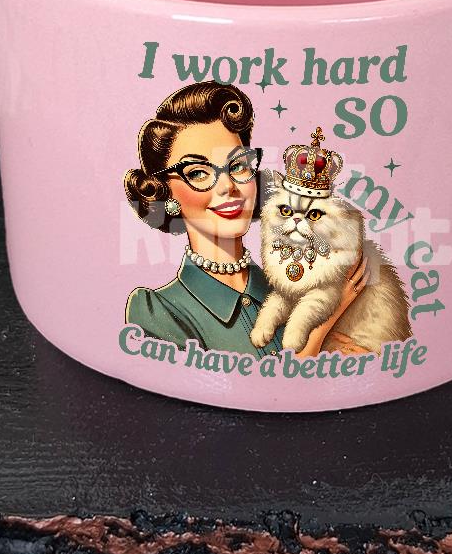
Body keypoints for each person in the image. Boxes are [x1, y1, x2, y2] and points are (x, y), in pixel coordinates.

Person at [123, 81, 366, 357]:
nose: (228, 186)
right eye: (198, 173)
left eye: (238, 165)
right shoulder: (159, 311)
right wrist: (322, 328)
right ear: (166, 193)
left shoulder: (295, 286)